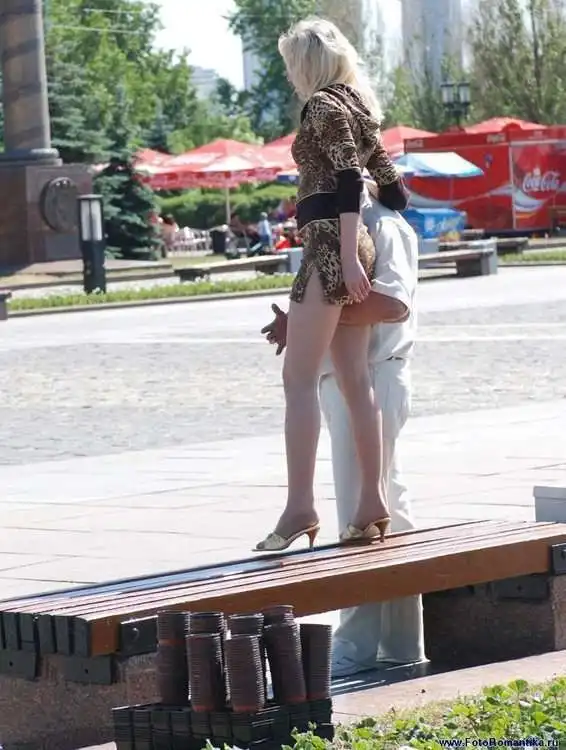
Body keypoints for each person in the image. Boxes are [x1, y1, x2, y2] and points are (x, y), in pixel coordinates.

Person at [254, 18, 408, 553]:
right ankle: (371, 504)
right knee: (354, 382)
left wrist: (344, 257)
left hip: (327, 246)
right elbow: (395, 190)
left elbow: (345, 179)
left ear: (307, 63)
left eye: (291, 63)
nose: (290, 74)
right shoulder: (359, 108)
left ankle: (301, 506)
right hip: (346, 245)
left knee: (297, 380)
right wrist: (362, 242)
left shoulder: (322, 105)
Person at [262, 180, 425, 677]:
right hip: (356, 380)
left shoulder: (382, 225)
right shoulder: (341, 224)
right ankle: (401, 644)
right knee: (388, 509)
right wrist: (302, 322)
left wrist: (308, 325)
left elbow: (392, 304)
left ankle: (355, 648)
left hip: (373, 377)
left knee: (361, 511)